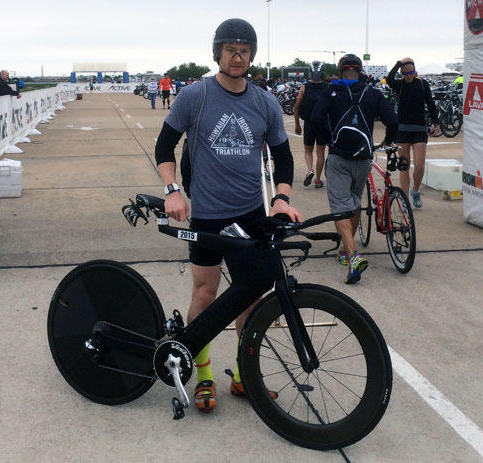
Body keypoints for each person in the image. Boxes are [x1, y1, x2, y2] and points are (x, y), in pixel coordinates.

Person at [154, 18, 301, 413]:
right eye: (230, 50)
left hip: (251, 216)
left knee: (251, 299)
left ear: (252, 56)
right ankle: (203, 376)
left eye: (244, 51)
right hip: (207, 217)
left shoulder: (265, 102)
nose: (237, 57)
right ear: (217, 53)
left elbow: (283, 156)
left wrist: (281, 199)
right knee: (205, 295)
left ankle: (242, 375)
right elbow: (164, 147)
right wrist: (172, 191)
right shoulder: (195, 96)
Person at [311, 54, 398, 284]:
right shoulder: (372, 92)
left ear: (340, 71)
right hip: (363, 158)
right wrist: (387, 140)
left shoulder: (331, 91)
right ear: (359, 71)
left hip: (339, 157)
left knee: (340, 207)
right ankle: (344, 250)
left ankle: (352, 256)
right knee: (354, 201)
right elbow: (393, 120)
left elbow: (316, 118)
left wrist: (327, 139)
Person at [386, 58, 440, 208]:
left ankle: (415, 190)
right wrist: (398, 63)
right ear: (402, 73)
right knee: (404, 166)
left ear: (415, 71)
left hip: (419, 129)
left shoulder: (423, 84)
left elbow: (430, 103)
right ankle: (405, 199)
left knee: (419, 165)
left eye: (411, 72)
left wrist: (436, 123)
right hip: (402, 130)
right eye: (405, 73)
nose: (408, 75)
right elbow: (389, 79)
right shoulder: (399, 85)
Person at [294, 61, 328, 189]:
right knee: (320, 152)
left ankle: (310, 169)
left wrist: (297, 124)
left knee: (308, 150)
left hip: (308, 123)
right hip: (322, 125)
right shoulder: (327, 87)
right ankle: (318, 180)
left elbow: (296, 107)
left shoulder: (305, 87)